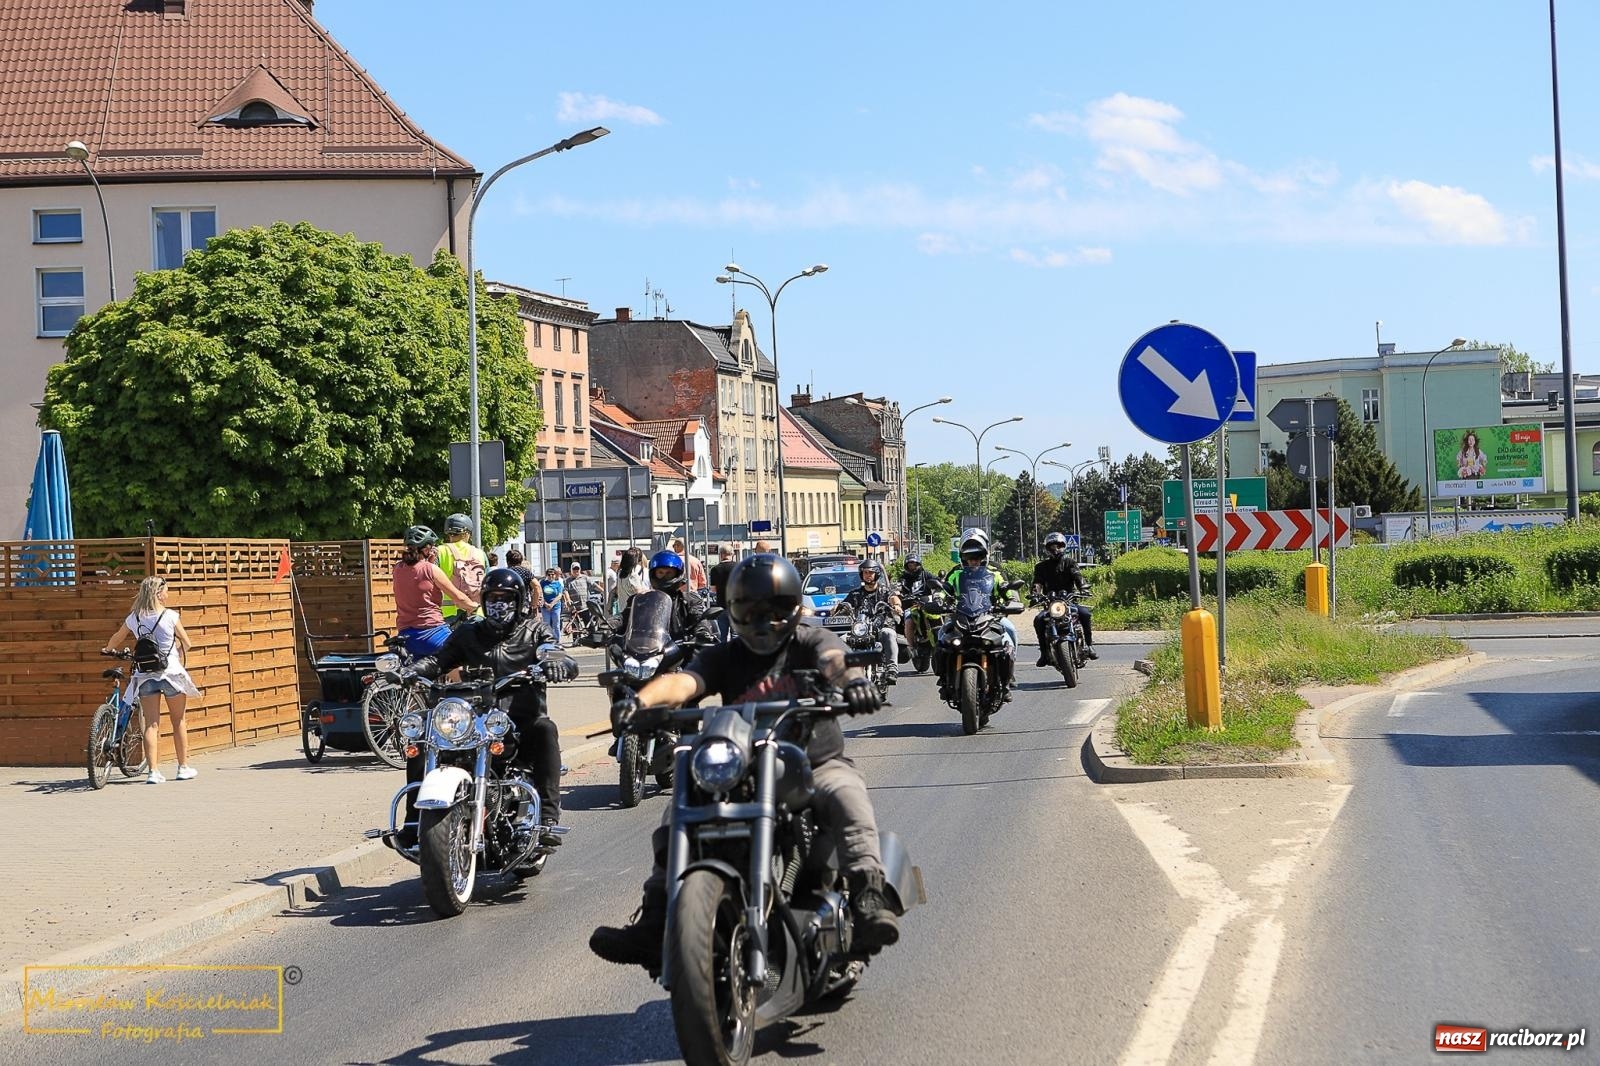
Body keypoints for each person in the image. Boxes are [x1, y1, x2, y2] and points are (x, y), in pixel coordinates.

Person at [589, 554, 898, 975]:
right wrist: (639, 701)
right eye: (751, 610)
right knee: (678, 807)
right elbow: (685, 681)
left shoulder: (808, 640)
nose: (762, 620)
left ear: (792, 608)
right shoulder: (726, 655)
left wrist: (855, 683)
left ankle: (868, 897)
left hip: (813, 761)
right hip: (745, 764)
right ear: (734, 610)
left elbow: (834, 659)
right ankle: (655, 919)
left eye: (774, 610)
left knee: (847, 794)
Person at [399, 569, 578, 852]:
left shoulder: (533, 630)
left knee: (546, 730)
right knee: (423, 737)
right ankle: (413, 822)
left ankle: (547, 818)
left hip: (519, 716)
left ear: (518, 601)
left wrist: (557, 662)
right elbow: (439, 660)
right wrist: (413, 670)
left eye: (505, 598)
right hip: (473, 716)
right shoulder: (469, 632)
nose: (499, 604)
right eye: (492, 598)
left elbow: (553, 650)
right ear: (483, 600)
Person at [102, 576, 202, 784]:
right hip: (171, 674)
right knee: (178, 721)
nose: (168, 594)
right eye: (166, 591)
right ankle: (183, 767)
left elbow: (117, 637)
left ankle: (153, 772)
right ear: (158, 593)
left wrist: (108, 649)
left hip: (145, 675)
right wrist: (175, 652)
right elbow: (187, 643)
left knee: (151, 725)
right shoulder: (171, 616)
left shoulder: (135, 617)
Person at [939, 529, 1019, 702]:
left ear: (984, 556)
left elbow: (1006, 590)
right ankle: (943, 679)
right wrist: (938, 599)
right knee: (941, 637)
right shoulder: (955, 573)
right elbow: (944, 590)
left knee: (1009, 633)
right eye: (969, 558)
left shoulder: (995, 572)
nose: (973, 561)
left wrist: (1010, 601)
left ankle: (1007, 680)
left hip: (990, 616)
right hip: (960, 616)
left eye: (977, 557)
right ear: (963, 557)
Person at [391, 525, 478, 657]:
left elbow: (416, 581)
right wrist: (475, 606)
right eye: (432, 546)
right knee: (460, 659)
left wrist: (429, 562)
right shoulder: (431, 569)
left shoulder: (397, 568)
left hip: (406, 635)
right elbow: (458, 598)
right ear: (426, 548)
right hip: (432, 632)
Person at [611, 550, 717, 652]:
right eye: (660, 572)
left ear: (677, 574)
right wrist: (608, 626)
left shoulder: (688, 600)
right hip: (646, 652)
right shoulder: (642, 600)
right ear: (653, 574)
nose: (664, 576)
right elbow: (624, 617)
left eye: (669, 573)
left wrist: (702, 631)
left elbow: (698, 617)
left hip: (681, 653)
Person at [1031, 531, 1097, 666]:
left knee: (1085, 613)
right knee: (1038, 620)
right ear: (1047, 548)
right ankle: (1044, 653)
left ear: (1064, 546)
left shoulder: (1070, 562)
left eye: (1058, 546)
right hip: (1050, 604)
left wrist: (1083, 587)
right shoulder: (1041, 567)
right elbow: (1037, 582)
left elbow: (1077, 576)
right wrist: (1035, 594)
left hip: (1069, 601)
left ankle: (1089, 646)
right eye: (1052, 546)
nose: (1055, 549)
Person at [839, 560, 903, 689]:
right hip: (861, 629)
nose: (868, 575)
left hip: (882, 626)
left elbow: (893, 598)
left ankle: (892, 668)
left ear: (877, 574)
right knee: (841, 641)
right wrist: (837, 608)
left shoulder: (884, 591)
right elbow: (844, 604)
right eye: (865, 573)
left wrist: (896, 605)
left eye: (871, 573)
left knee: (889, 634)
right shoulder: (855, 593)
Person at [436, 513, 487, 622]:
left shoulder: (440, 551)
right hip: (476, 612)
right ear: (466, 533)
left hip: (447, 614)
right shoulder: (480, 553)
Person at [897, 555, 944, 646]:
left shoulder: (925, 574)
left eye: (914, 565)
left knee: (941, 613)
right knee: (908, 621)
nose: (912, 567)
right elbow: (898, 588)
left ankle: (944, 640)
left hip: (926, 602)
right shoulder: (904, 577)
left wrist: (941, 582)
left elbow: (936, 581)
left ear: (918, 564)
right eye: (910, 565)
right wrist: (899, 592)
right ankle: (911, 646)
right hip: (911, 606)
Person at [613, 547, 649, 613]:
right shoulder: (634, 574)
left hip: (623, 610)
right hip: (637, 612)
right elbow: (640, 593)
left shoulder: (620, 573)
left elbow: (617, 591)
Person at [539, 567, 565, 639]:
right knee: (546, 625)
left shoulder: (558, 584)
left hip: (556, 607)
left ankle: (557, 641)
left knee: (556, 625)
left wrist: (552, 604)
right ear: (546, 575)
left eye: (552, 574)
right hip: (545, 607)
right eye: (549, 574)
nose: (551, 576)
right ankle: (547, 640)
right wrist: (545, 603)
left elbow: (559, 595)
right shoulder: (542, 583)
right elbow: (540, 594)